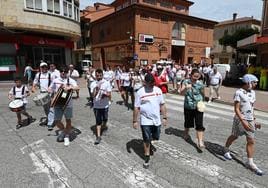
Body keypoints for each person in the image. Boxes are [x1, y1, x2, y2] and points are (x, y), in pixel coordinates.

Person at [223, 74, 263, 176]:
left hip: (250, 120)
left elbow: (251, 107)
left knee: (251, 140)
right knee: (234, 136)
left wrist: (254, 120)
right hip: (240, 119)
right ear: (248, 82)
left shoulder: (253, 93)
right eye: (254, 82)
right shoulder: (238, 93)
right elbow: (236, 109)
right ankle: (226, 149)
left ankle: (250, 162)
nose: (256, 84)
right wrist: (243, 121)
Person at [133, 73, 167, 169]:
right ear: (145, 82)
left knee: (156, 137)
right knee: (146, 138)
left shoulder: (158, 90)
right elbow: (136, 107)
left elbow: (162, 104)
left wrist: (164, 117)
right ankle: (147, 156)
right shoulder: (140, 92)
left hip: (156, 119)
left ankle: (150, 141)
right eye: (150, 83)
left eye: (153, 83)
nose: (152, 85)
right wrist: (135, 120)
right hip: (145, 120)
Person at [48, 67, 79, 146]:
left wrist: (70, 87)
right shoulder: (56, 80)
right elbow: (50, 88)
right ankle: (65, 132)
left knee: (68, 120)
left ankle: (66, 136)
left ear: (67, 72)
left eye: (65, 71)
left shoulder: (70, 80)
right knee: (57, 120)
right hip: (57, 102)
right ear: (60, 72)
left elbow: (77, 87)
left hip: (68, 103)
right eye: (62, 71)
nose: (63, 72)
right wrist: (49, 90)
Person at [179, 68, 206, 149]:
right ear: (191, 75)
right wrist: (186, 88)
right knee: (188, 122)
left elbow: (203, 93)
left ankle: (200, 141)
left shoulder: (200, 83)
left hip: (198, 106)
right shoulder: (186, 82)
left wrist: (203, 102)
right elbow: (181, 92)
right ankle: (186, 133)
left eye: (197, 77)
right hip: (188, 106)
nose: (196, 78)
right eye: (194, 76)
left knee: (199, 123)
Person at [92, 69, 112, 145]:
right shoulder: (93, 83)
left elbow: (109, 94)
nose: (99, 77)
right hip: (96, 106)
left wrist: (106, 95)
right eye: (97, 75)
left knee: (105, 119)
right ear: (95, 75)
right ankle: (98, 136)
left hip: (105, 105)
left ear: (102, 75)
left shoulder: (106, 83)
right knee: (98, 121)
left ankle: (104, 126)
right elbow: (92, 96)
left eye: (100, 75)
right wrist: (96, 90)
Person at [32, 61, 53, 128]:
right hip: (42, 93)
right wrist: (33, 87)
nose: (44, 68)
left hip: (49, 93)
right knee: (45, 108)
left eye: (45, 67)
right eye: (42, 67)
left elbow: (54, 83)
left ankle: (50, 123)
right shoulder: (38, 75)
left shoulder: (50, 74)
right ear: (40, 68)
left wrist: (52, 91)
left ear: (47, 67)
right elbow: (35, 82)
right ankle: (49, 119)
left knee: (49, 108)